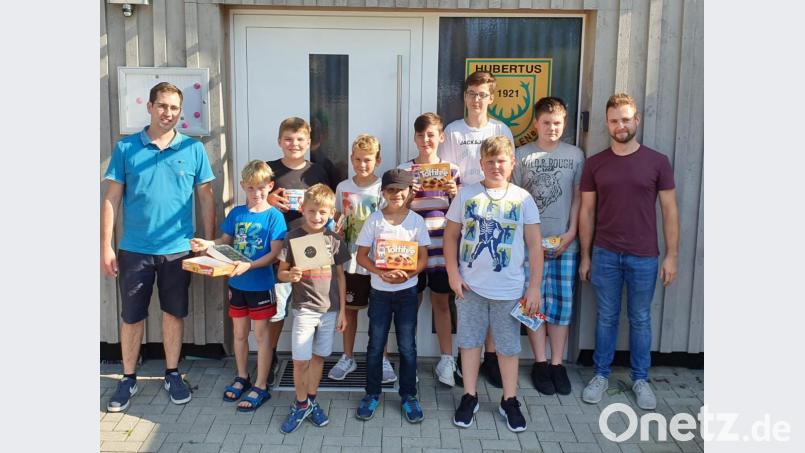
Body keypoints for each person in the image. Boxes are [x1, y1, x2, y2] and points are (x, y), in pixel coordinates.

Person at [101, 82, 215, 412]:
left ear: (181, 112)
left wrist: (208, 243)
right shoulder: (126, 149)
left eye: (174, 108)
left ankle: (172, 373)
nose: (168, 113)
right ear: (150, 107)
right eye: (162, 106)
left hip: (178, 249)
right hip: (135, 249)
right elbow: (111, 199)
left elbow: (205, 197)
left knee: (173, 313)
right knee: (132, 316)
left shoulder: (192, 149)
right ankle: (128, 378)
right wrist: (105, 246)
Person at [578, 93, 679, 411]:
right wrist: (586, 254)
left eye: (625, 119)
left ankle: (640, 379)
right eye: (614, 120)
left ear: (637, 120)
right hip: (605, 253)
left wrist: (672, 255)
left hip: (644, 256)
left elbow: (669, 210)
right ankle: (601, 375)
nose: (620, 125)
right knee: (606, 317)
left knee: (639, 319)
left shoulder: (657, 161)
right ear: (607, 124)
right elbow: (587, 212)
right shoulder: (595, 163)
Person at [444, 135, 543, 432]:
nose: (495, 166)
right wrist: (453, 273)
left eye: (501, 161)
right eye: (490, 161)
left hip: (509, 290)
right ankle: (470, 396)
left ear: (512, 163)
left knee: (508, 348)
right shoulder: (467, 195)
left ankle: (509, 400)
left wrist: (534, 286)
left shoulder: (523, 199)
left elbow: (535, 246)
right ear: (481, 164)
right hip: (470, 287)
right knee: (470, 343)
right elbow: (450, 236)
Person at [189, 160, 287, 412]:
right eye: (252, 188)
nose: (257, 193)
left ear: (270, 186)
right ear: (243, 186)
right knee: (240, 334)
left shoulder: (275, 217)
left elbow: (275, 254)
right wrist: (207, 244)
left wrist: (250, 266)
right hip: (237, 284)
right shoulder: (236, 213)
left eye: (262, 187)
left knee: (263, 337)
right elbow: (224, 242)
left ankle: (261, 384)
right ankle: (242, 376)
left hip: (261, 284)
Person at [438, 70, 515, 388]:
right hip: (463, 215)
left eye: (483, 94)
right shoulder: (454, 132)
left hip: (495, 217)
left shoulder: (501, 129)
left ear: (491, 97)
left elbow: (508, 173)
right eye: (472, 93)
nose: (477, 99)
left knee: (492, 284)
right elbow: (446, 178)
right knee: (466, 289)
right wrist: (463, 205)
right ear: (464, 96)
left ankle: (492, 357)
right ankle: (464, 355)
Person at [512, 97, 585, 396]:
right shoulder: (522, 155)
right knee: (535, 304)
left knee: (561, 306)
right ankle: (540, 363)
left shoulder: (576, 155)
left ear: (564, 123)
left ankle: (557, 363)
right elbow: (514, 200)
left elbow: (580, 198)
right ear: (535, 124)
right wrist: (527, 241)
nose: (552, 128)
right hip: (531, 245)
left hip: (565, 242)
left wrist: (571, 233)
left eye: (557, 123)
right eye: (546, 123)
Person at [354, 169, 431, 423]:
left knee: (408, 346)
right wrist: (379, 272)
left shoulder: (416, 221)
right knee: (375, 345)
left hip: (407, 292)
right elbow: (361, 255)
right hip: (380, 292)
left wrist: (410, 276)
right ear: (383, 192)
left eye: (400, 190)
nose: (395, 194)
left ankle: (409, 395)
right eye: (390, 190)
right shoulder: (375, 220)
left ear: (409, 192)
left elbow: (422, 259)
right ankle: (371, 393)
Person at [266, 117, 334, 385]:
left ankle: (310, 361)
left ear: (309, 142)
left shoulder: (317, 171)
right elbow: (254, 197)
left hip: (311, 246)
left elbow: (326, 205)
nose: (294, 144)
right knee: (278, 308)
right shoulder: (270, 170)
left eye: (300, 140)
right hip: (277, 246)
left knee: (309, 304)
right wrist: (270, 199)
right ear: (279, 141)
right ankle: (269, 358)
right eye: (288, 139)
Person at [276, 184, 349, 433]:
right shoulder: (293, 236)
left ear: (331, 212)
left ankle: (311, 401)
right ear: (302, 209)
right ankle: (300, 403)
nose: (317, 217)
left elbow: (340, 276)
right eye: (312, 211)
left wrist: (342, 312)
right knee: (300, 361)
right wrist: (292, 275)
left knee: (319, 357)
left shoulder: (335, 239)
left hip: (330, 310)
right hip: (305, 309)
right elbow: (282, 273)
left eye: (322, 212)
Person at [397, 113, 462, 387]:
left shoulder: (452, 171)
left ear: (441, 137)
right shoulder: (403, 171)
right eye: (421, 135)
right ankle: (407, 359)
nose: (426, 140)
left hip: (440, 248)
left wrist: (453, 194)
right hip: (410, 249)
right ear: (414, 138)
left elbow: (462, 214)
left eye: (431, 135)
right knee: (410, 305)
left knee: (442, 304)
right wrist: (407, 196)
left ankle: (447, 359)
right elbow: (393, 212)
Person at [329, 135, 397, 384]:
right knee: (350, 311)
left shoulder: (383, 189)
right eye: (357, 159)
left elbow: (390, 220)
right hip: (351, 261)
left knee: (380, 314)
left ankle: (382, 358)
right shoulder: (343, 187)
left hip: (376, 262)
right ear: (351, 159)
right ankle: (347, 356)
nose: (362, 164)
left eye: (367, 160)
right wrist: (335, 228)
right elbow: (336, 217)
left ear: (377, 161)